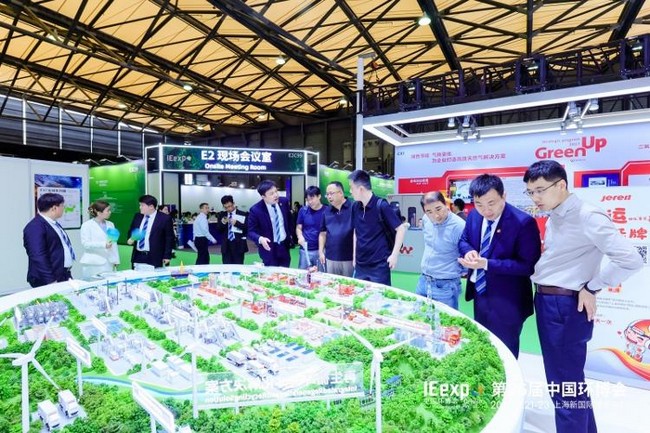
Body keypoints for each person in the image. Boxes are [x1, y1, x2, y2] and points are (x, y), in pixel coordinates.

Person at [523, 160, 642, 433]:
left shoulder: (587, 215)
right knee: (569, 383)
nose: (535, 198)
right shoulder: (556, 215)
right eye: (531, 192)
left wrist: (593, 286)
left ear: (561, 185)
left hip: (564, 305)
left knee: (564, 386)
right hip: (550, 302)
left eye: (540, 190)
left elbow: (631, 259)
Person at [458, 174, 541, 358]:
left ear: (504, 196)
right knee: (483, 345)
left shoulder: (523, 223)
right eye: (479, 204)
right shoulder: (474, 216)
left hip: (508, 299)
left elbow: (527, 266)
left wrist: (487, 264)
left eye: (491, 203)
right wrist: (469, 251)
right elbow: (463, 240)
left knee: (505, 352)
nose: (486, 210)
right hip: (480, 293)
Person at [348, 169, 406, 286]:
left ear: (361, 189)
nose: (350, 191)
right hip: (360, 264)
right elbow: (356, 232)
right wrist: (354, 257)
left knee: (379, 296)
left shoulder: (381, 205)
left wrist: (394, 255)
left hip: (379, 265)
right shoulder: (355, 207)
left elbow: (400, 229)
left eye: (351, 188)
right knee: (361, 294)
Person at [417, 191, 466, 310]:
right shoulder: (426, 219)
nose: (435, 215)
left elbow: (467, 254)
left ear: (446, 204)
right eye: (429, 211)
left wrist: (458, 272)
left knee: (445, 320)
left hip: (446, 285)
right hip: (423, 279)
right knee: (419, 316)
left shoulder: (459, 226)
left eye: (438, 209)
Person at [23, 193, 76, 287]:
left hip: (62, 274)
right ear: (54, 208)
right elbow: (38, 255)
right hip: (47, 278)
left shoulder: (53, 223)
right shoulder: (35, 227)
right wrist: (51, 280)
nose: (64, 208)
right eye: (62, 206)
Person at [247, 180, 294, 267]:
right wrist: (260, 239)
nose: (276, 195)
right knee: (271, 273)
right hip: (268, 248)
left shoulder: (284, 202)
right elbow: (250, 231)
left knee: (285, 271)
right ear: (263, 196)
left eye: (276, 191)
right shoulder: (256, 210)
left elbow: (289, 220)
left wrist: (291, 235)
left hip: (284, 245)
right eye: (271, 193)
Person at [127, 194, 175, 268]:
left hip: (154, 256)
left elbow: (169, 238)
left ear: (151, 207)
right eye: (140, 205)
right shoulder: (138, 216)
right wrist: (131, 238)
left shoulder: (165, 218)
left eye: (142, 205)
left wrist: (167, 255)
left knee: (154, 275)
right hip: (138, 256)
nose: (140, 207)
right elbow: (131, 231)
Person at [319, 181, 354, 277]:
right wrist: (321, 251)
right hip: (331, 258)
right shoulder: (326, 211)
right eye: (327, 194)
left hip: (349, 258)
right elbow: (322, 233)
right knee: (332, 284)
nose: (329, 197)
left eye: (331, 193)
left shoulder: (353, 208)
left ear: (341, 193)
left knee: (348, 284)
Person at [79, 200, 120, 279]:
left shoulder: (111, 224)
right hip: (93, 263)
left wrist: (116, 260)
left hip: (109, 262)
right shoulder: (87, 225)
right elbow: (86, 244)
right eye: (108, 210)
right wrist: (103, 245)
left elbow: (114, 243)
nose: (110, 212)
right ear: (99, 212)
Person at [296, 186, 326, 270]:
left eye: (312, 199)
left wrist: (321, 251)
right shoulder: (303, 210)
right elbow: (298, 228)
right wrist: (300, 236)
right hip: (305, 250)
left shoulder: (326, 211)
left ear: (319, 196)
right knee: (303, 274)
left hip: (320, 250)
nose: (310, 202)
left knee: (320, 275)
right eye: (307, 199)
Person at [216, 195, 249, 265]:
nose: (228, 209)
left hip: (238, 245)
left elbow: (247, 229)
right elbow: (219, 230)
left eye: (230, 206)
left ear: (233, 203)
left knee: (238, 266)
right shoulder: (222, 215)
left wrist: (236, 223)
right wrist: (223, 222)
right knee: (226, 267)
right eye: (225, 207)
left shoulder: (243, 214)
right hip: (226, 245)